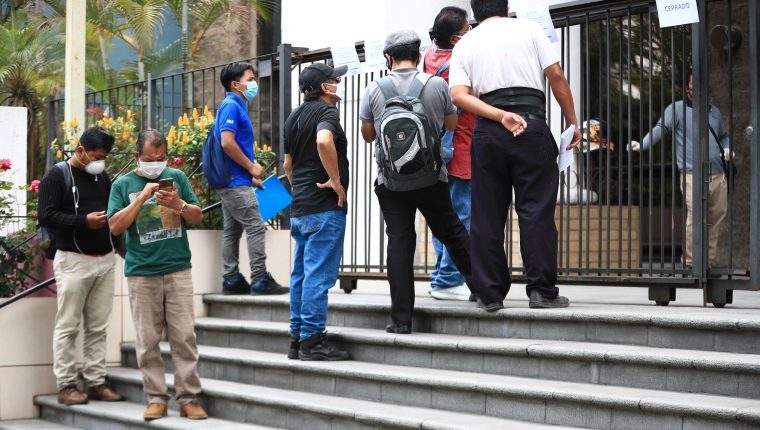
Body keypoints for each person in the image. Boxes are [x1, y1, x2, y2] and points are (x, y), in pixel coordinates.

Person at [449, 0, 581, 311]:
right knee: (536, 211)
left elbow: (458, 95)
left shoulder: (466, 43)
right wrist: (572, 122)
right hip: (532, 125)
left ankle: (489, 293)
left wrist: (498, 115)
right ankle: (541, 291)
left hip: (489, 131)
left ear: (474, 13)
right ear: (506, 6)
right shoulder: (531, 30)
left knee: (487, 215)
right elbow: (557, 76)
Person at [360, 30, 474, 334]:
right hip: (431, 177)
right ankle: (486, 293)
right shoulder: (436, 84)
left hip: (390, 182)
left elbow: (369, 135)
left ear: (388, 57)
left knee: (399, 242)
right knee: (452, 231)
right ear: (419, 54)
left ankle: (400, 320)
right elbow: (450, 124)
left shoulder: (373, 89)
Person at [107, 130, 207, 421]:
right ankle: (156, 398)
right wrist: (142, 198)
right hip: (141, 272)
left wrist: (178, 205)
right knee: (146, 339)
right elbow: (115, 226)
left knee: (184, 336)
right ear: (137, 156)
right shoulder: (122, 184)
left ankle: (189, 398)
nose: (156, 164)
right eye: (150, 159)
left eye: (161, 158)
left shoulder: (177, 177)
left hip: (178, 268)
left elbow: (197, 216)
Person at [37, 127, 124, 406]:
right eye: (97, 156)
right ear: (80, 151)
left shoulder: (102, 176)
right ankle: (66, 385)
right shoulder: (57, 175)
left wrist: (121, 249)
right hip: (73, 260)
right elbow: (46, 216)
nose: (100, 161)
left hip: (105, 259)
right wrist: (82, 222)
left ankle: (96, 381)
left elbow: (113, 214)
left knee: (98, 326)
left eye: (105, 157)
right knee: (68, 325)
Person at [283, 63, 351, 361]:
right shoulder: (327, 113)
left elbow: (287, 165)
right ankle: (313, 339)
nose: (338, 83)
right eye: (335, 80)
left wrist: (300, 187)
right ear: (325, 87)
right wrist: (336, 183)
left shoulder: (293, 117)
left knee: (300, 273)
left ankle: (297, 338)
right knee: (318, 276)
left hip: (301, 207)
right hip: (325, 207)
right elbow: (324, 140)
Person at [629, 73, 730, 267]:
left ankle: (707, 263)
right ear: (688, 86)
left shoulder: (714, 111)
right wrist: (642, 145)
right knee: (696, 215)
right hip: (693, 173)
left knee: (715, 219)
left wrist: (727, 148)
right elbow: (660, 128)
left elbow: (724, 135)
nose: (696, 86)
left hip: (718, 173)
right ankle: (691, 262)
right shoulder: (676, 109)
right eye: (693, 82)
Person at [214, 61, 288, 295]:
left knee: (232, 230)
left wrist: (250, 177)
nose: (254, 83)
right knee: (256, 225)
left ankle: (231, 279)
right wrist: (251, 166)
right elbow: (227, 142)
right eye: (250, 79)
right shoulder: (231, 106)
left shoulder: (235, 105)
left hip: (236, 180)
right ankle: (259, 278)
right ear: (235, 84)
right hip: (234, 182)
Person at [423, 6, 478, 301]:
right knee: (461, 214)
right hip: (459, 146)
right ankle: (447, 279)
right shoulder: (458, 63)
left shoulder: (428, 56)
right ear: (456, 39)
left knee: (443, 216)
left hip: (434, 151)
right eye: (469, 31)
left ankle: (442, 275)